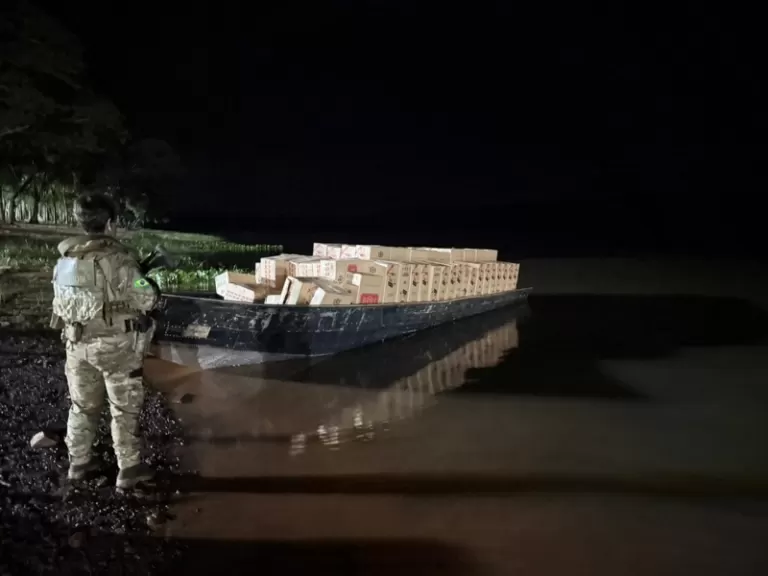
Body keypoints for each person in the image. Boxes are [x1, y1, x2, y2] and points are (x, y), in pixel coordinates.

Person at [50, 192, 160, 489]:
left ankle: (79, 463)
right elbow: (147, 298)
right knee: (123, 408)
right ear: (110, 223)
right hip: (116, 348)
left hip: (76, 344)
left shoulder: (64, 261)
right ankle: (129, 469)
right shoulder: (120, 261)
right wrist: (146, 281)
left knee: (82, 406)